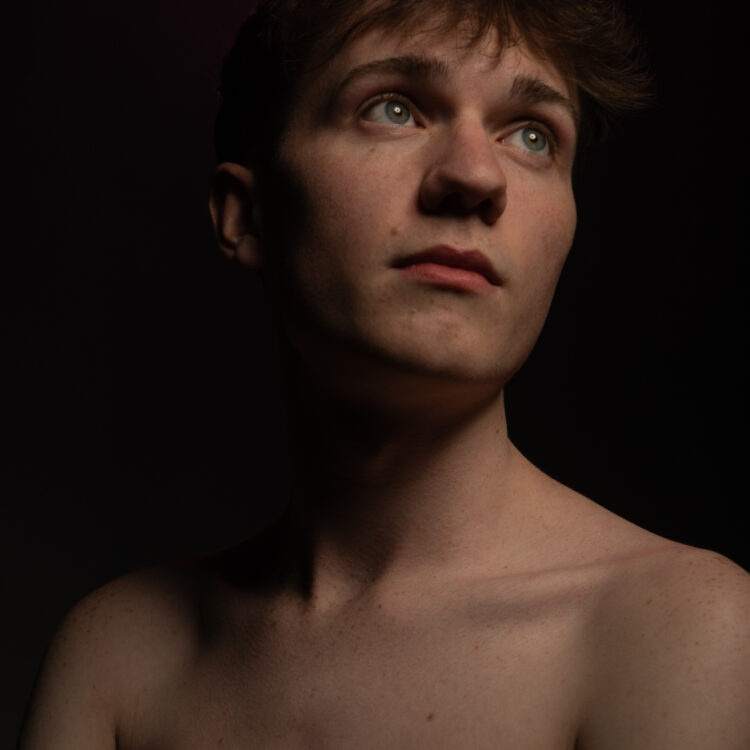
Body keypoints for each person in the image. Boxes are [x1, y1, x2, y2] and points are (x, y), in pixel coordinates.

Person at [19, 1, 750, 747]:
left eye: (532, 135)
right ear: (247, 213)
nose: (476, 175)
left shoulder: (680, 630)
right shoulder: (119, 660)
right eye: (393, 109)